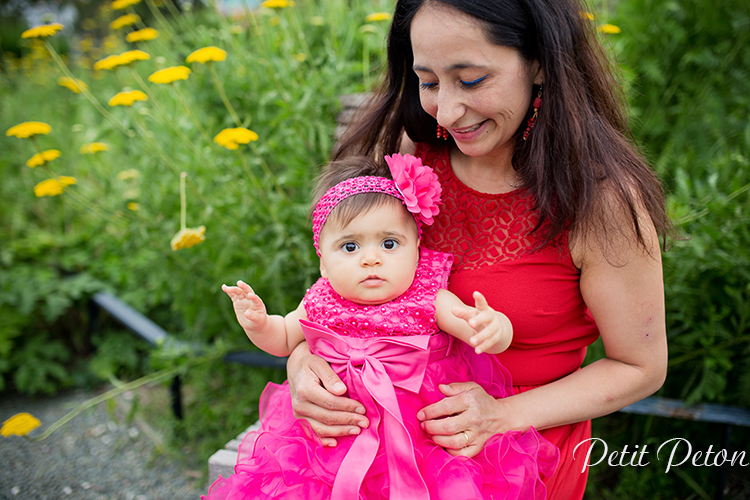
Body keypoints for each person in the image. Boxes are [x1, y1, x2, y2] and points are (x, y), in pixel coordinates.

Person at [284, 1, 671, 499]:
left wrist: (501, 415)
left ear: (540, 63)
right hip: (380, 449)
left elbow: (640, 367)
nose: (445, 111)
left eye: (469, 80)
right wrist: (304, 362)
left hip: (519, 458)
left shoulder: (601, 201)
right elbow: (350, 278)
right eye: (427, 81)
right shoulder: (411, 156)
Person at [204, 154, 559, 499]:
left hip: (424, 440)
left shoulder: (429, 294)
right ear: (323, 263)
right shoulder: (320, 300)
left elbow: (470, 326)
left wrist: (493, 328)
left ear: (417, 249)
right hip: (337, 438)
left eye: (389, 243)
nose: (371, 258)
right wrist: (258, 321)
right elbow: (282, 338)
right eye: (350, 246)